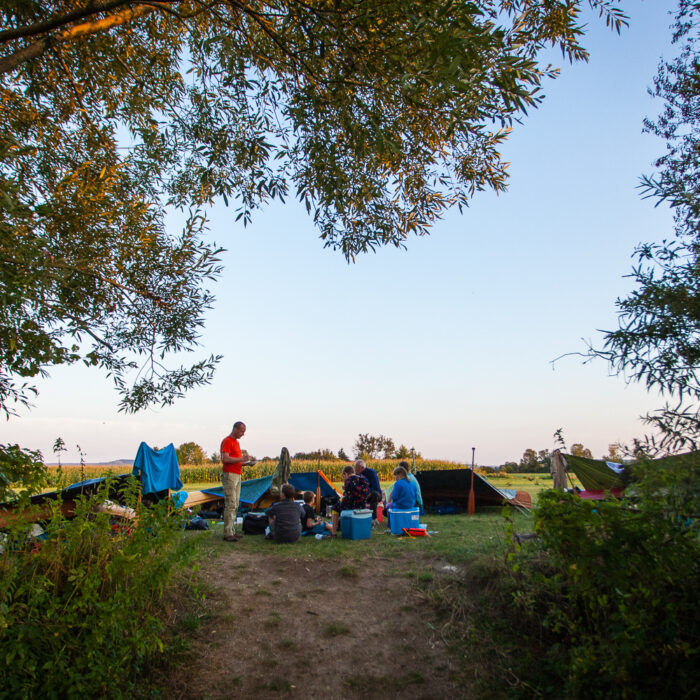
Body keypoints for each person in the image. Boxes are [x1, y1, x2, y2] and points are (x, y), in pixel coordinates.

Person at [220, 421, 256, 542]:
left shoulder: (236, 443)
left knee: (235, 503)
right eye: (242, 431)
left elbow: (236, 461)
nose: (243, 434)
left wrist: (246, 463)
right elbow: (225, 458)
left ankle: (232, 531)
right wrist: (242, 458)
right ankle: (227, 533)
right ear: (235, 429)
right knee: (231, 503)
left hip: (237, 474)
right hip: (229, 475)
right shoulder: (227, 441)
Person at [331, 465, 371, 536]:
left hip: (351, 506)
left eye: (343, 476)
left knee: (334, 508)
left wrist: (342, 499)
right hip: (362, 505)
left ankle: (333, 533)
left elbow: (348, 497)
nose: (344, 478)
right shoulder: (363, 478)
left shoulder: (349, 480)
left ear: (346, 474)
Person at [354, 459, 383, 523]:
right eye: (355, 467)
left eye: (356, 467)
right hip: (363, 494)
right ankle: (357, 516)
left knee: (374, 495)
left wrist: (368, 493)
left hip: (374, 494)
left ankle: (374, 518)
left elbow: (375, 487)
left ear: (362, 467)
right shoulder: (356, 475)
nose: (355, 469)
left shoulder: (371, 473)